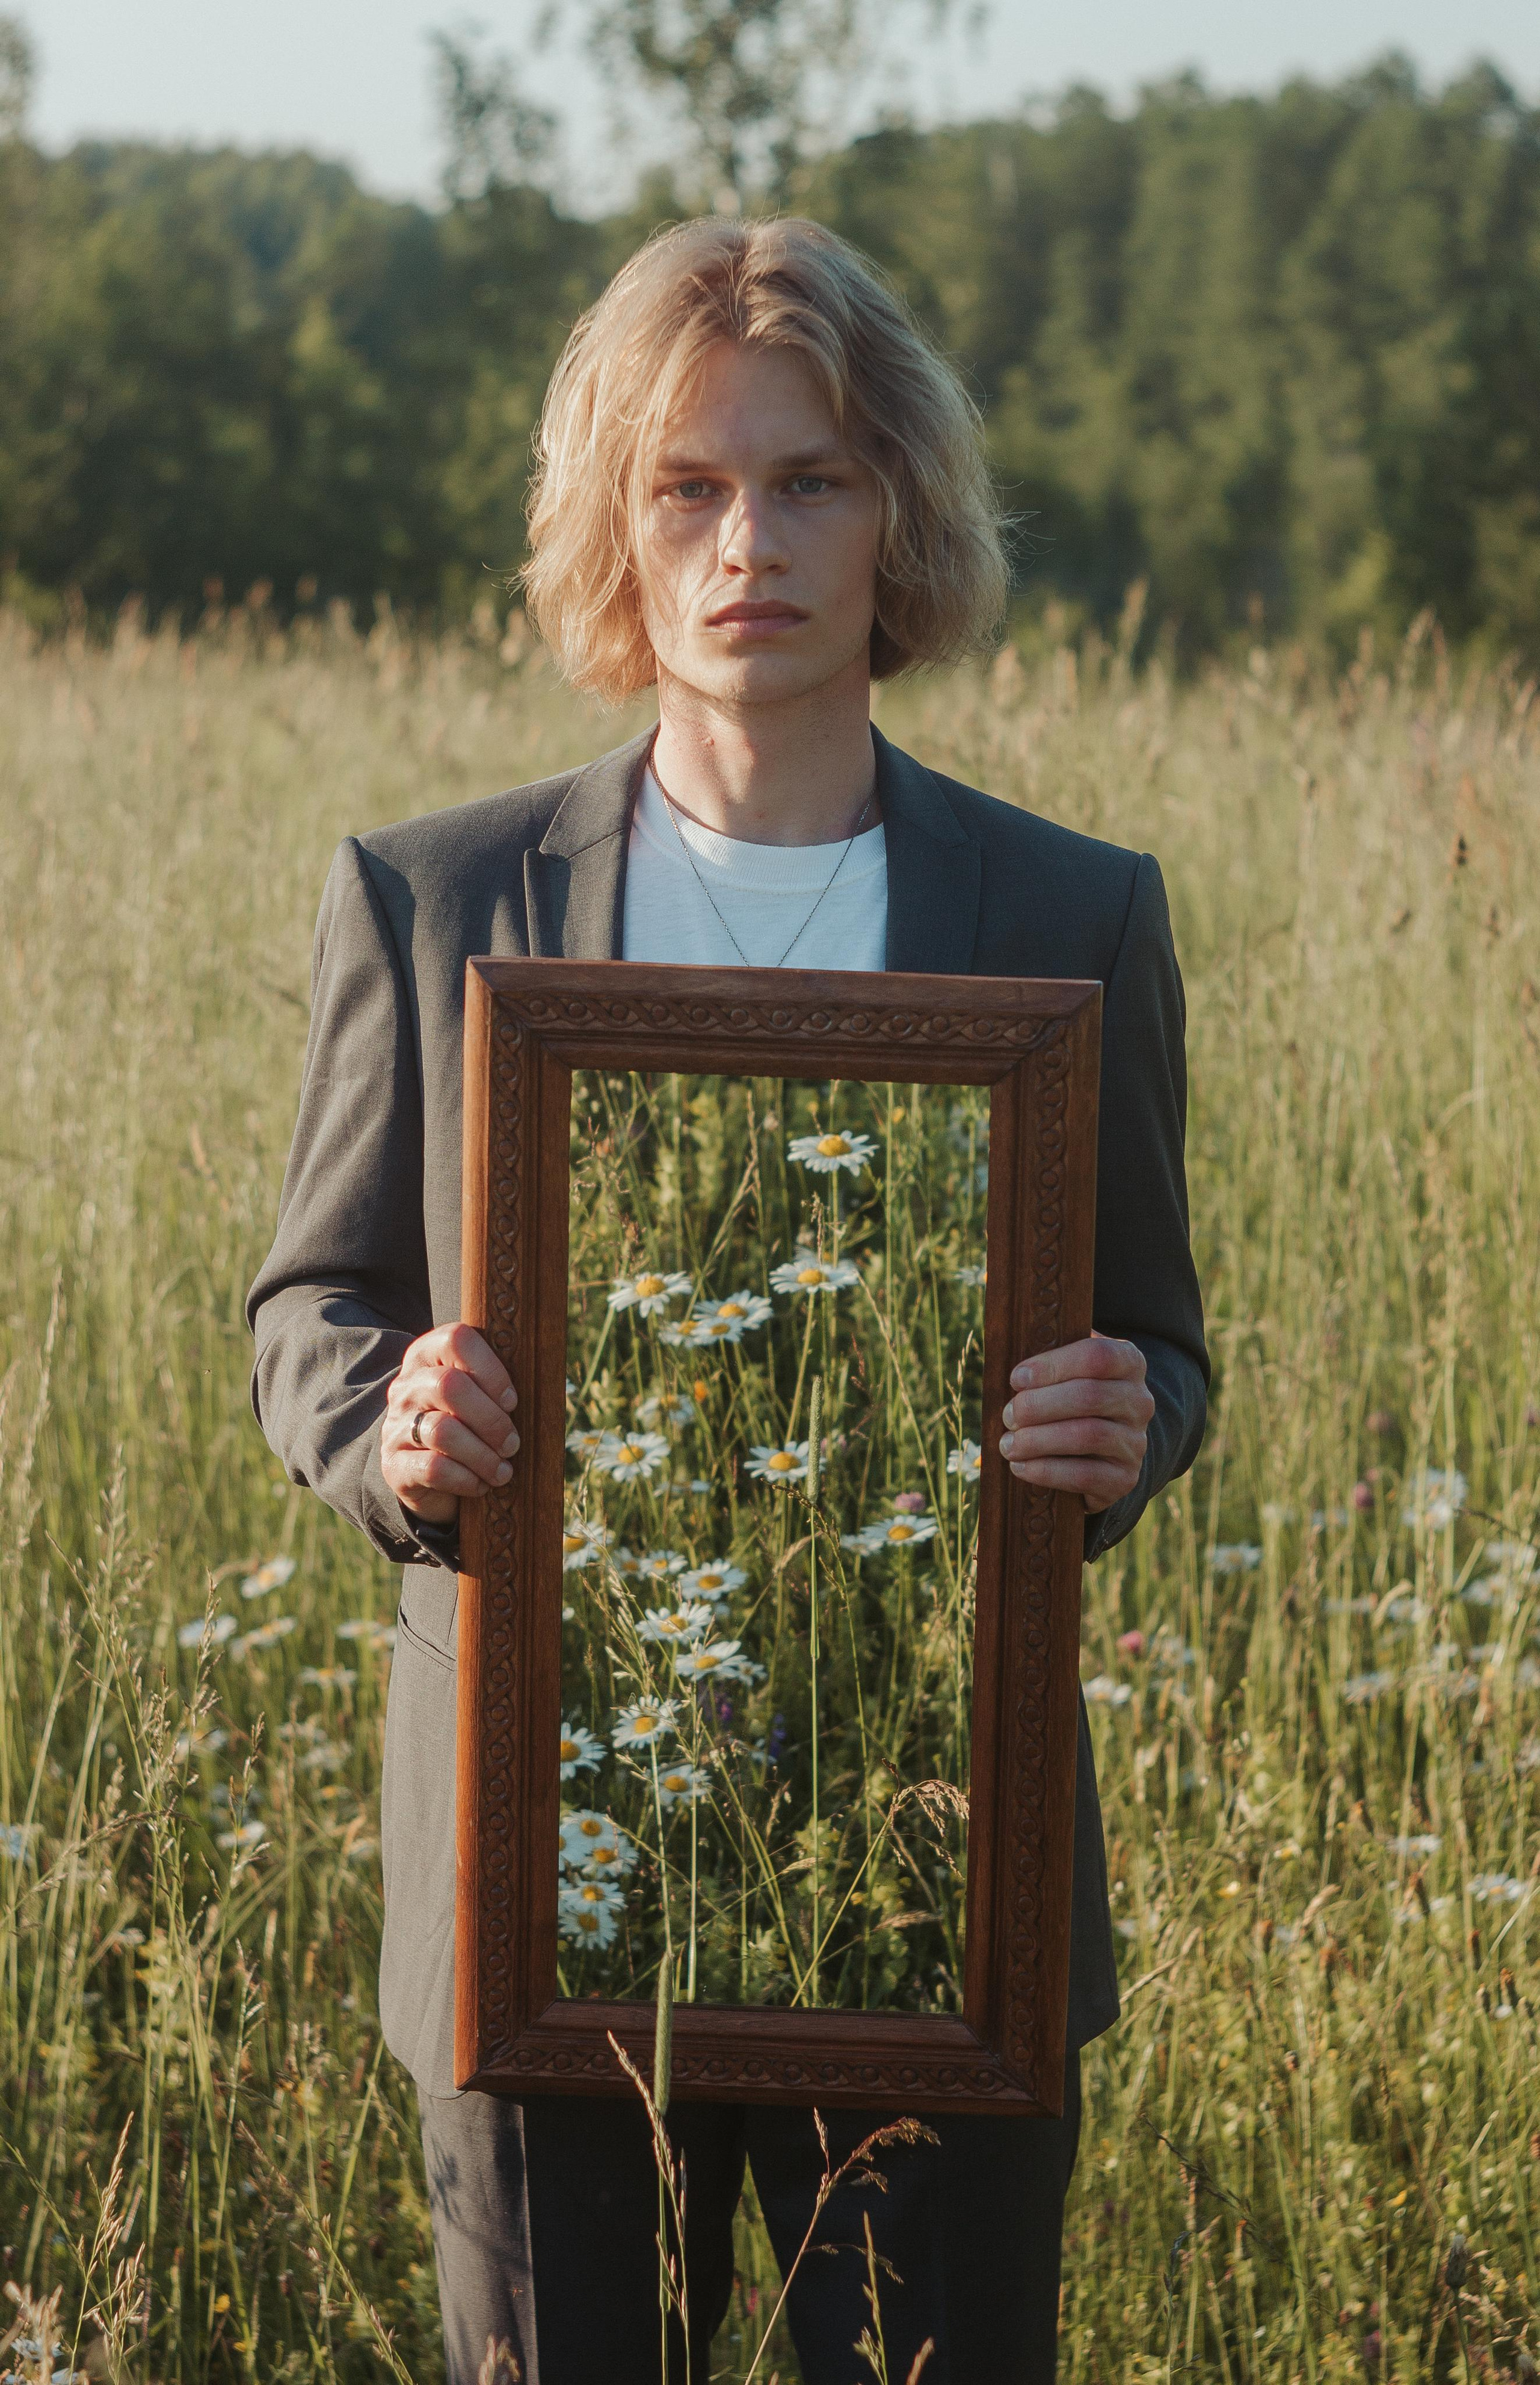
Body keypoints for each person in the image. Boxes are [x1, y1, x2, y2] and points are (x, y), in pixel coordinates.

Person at [247, 215, 1207, 2385]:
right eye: (685, 486)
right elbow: (310, 1308)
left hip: (937, 1895)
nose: (746, 539)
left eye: (810, 479)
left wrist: (1122, 1415)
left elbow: (1157, 1336)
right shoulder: (435, 896)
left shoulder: (1069, 915)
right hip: (536, 1903)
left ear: (902, 517)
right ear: (615, 523)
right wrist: (388, 1430)